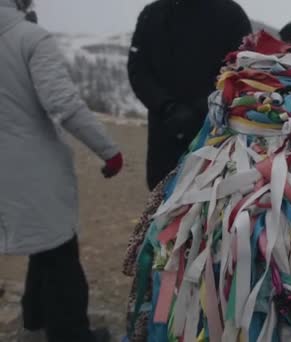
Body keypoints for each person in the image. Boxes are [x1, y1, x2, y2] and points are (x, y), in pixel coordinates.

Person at [0, 0, 123, 341]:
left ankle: (36, 316)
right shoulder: (30, 37)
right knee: (60, 251)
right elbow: (62, 103)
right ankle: (70, 333)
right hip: (31, 167)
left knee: (45, 244)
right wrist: (108, 151)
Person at [128, 0, 252, 191]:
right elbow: (139, 71)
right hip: (166, 136)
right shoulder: (152, 15)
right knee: (162, 203)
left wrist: (204, 109)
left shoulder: (230, 14)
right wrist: (167, 107)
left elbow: (243, 70)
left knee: (214, 203)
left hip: (216, 134)